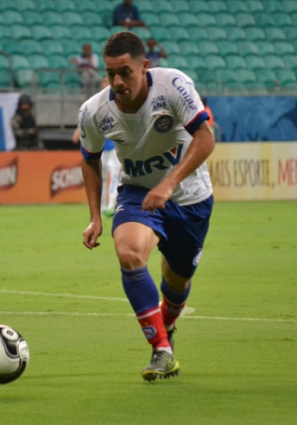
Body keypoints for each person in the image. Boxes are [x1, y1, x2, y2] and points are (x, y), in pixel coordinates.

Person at [78, 32, 214, 381]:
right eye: (111, 74)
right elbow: (90, 160)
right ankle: (162, 351)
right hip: (138, 192)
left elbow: (206, 137)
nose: (118, 82)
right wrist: (95, 216)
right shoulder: (94, 112)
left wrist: (169, 184)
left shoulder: (173, 85)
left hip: (190, 199)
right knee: (130, 252)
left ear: (145, 67)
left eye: (125, 72)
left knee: (177, 280)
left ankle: (167, 328)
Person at [72, 76, 120, 216]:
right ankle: (103, 207)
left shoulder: (119, 99)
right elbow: (88, 118)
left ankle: (111, 204)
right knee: (102, 176)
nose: (106, 84)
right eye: (104, 82)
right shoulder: (97, 102)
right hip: (101, 146)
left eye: (107, 82)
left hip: (115, 145)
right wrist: (77, 131)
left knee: (115, 174)